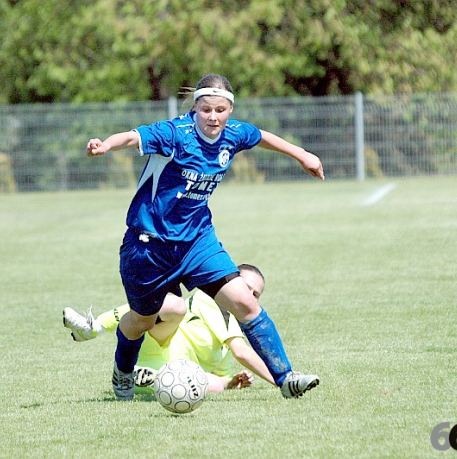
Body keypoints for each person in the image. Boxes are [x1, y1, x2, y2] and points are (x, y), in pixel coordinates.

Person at [85, 73, 322, 400]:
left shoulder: (234, 134)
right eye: (206, 109)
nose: (213, 117)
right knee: (141, 320)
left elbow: (261, 136)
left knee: (244, 301)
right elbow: (131, 137)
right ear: (195, 107)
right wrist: (104, 145)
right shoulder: (174, 133)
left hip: (197, 240)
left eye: (221, 110)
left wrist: (303, 155)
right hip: (148, 246)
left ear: (229, 109)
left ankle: (285, 378)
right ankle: (122, 371)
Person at [63, 264, 276, 393]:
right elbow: (242, 351)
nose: (250, 296)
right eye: (247, 288)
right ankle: (93, 327)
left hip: (160, 372)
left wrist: (230, 382)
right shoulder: (214, 301)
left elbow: (221, 374)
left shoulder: (229, 334)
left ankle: (148, 378)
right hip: (159, 340)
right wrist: (281, 378)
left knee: (215, 386)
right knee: (174, 306)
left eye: (256, 294)